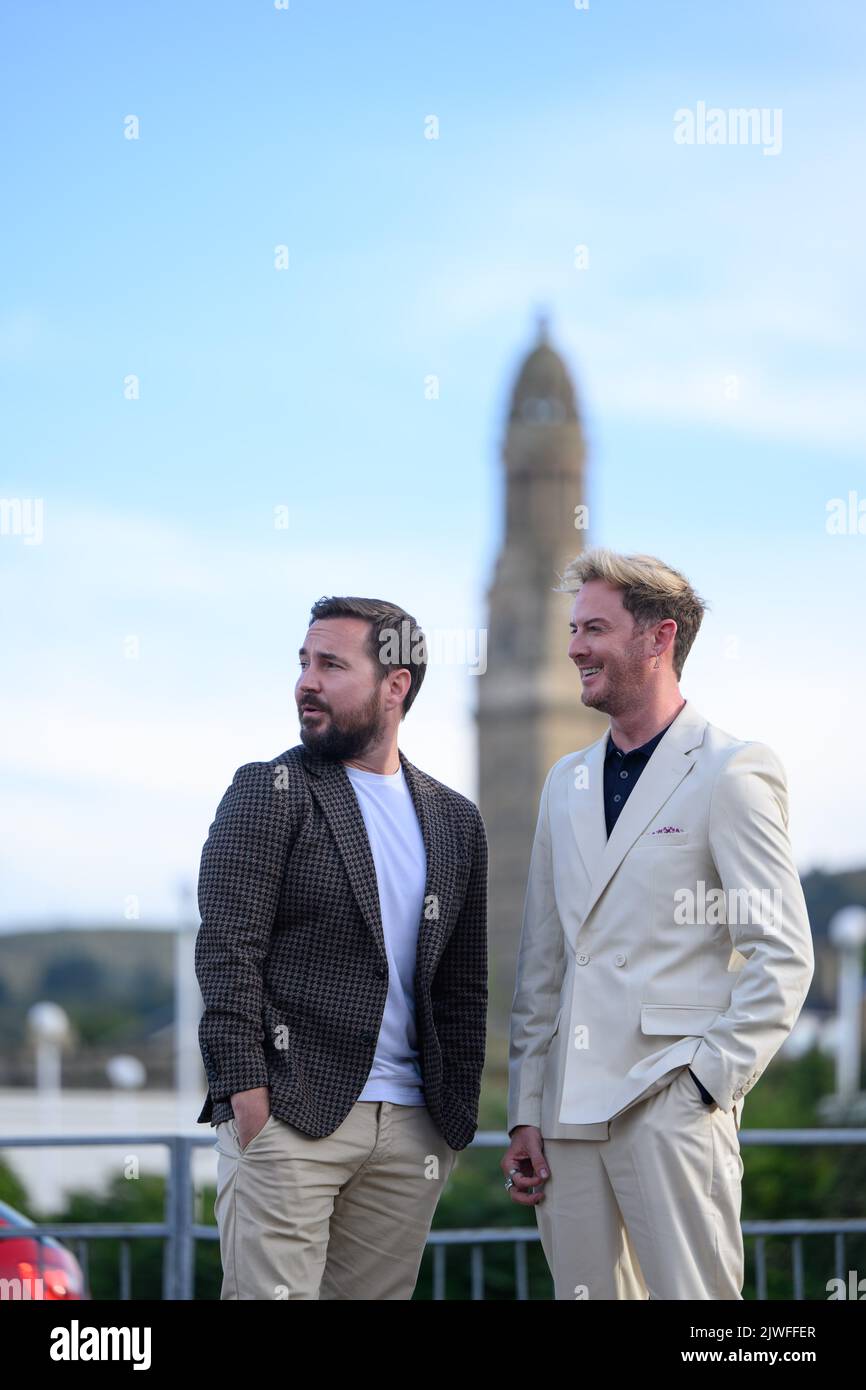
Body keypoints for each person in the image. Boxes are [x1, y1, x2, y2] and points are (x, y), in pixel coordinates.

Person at [502, 548, 814, 1299]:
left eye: (595, 628)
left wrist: (706, 1086)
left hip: (668, 1106)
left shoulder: (731, 772)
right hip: (567, 1122)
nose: (574, 646)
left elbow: (784, 956)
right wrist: (525, 1112)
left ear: (658, 638)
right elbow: (543, 965)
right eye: (574, 628)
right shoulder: (564, 782)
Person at [196, 595, 488, 1299]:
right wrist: (248, 1097)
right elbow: (227, 952)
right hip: (292, 1116)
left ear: (396, 685)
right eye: (303, 663)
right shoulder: (270, 790)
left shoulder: (455, 820)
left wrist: (453, 1115)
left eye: (331, 664)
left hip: (413, 1126)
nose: (307, 681)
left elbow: (463, 983)